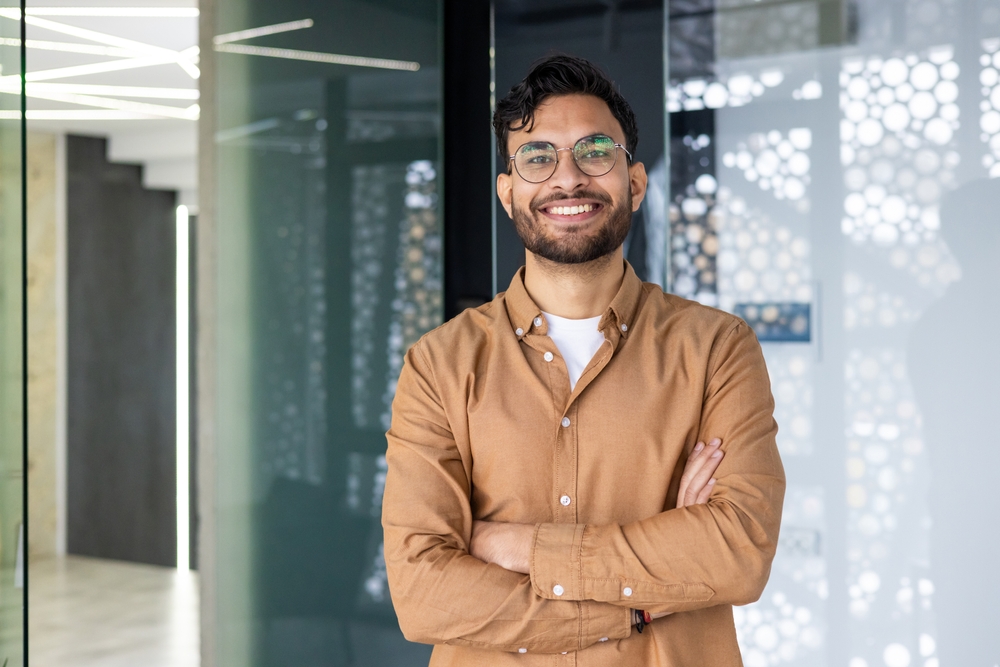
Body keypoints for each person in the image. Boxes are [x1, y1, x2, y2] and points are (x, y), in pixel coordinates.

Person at [382, 54, 785, 665]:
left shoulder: (716, 349)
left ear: (635, 182)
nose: (567, 178)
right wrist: (641, 601)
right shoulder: (439, 364)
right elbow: (423, 593)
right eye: (538, 157)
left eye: (595, 151)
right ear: (508, 191)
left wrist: (515, 547)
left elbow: (739, 551)